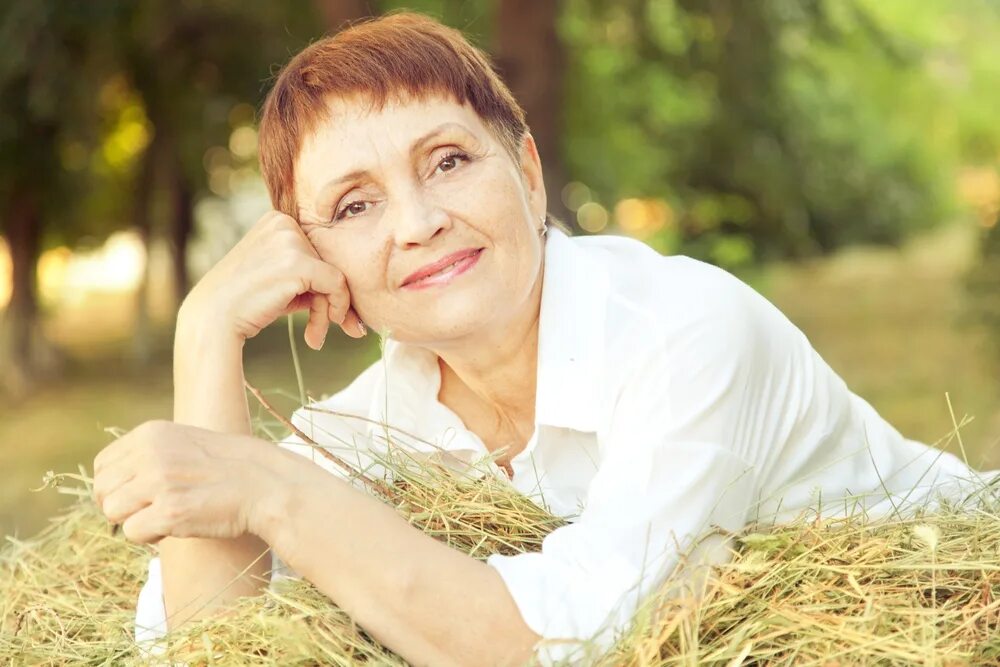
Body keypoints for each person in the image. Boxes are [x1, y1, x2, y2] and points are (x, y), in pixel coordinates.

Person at [92, 11, 1000, 666]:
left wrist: (274, 489)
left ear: (527, 175)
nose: (416, 222)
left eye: (448, 161)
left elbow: (578, 642)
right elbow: (205, 642)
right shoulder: (379, 419)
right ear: (315, 261)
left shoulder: (688, 331)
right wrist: (205, 334)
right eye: (354, 204)